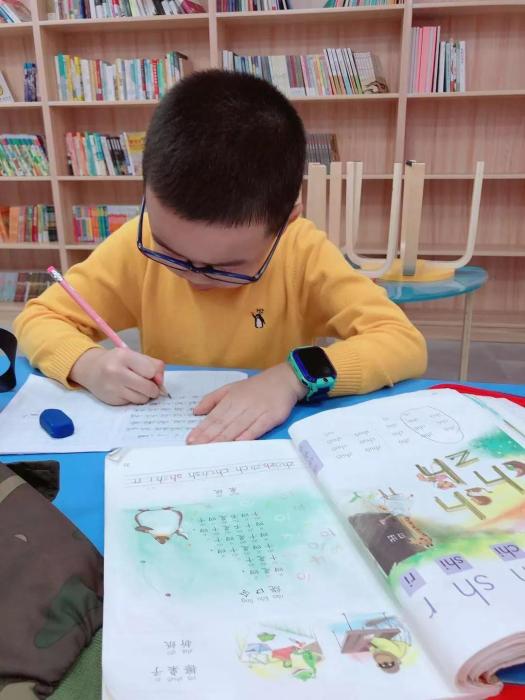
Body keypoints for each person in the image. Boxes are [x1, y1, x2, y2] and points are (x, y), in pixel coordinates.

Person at [14, 69, 427, 444]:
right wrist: (87, 364)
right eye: (170, 253)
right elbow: (39, 318)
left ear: (286, 220)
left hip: (271, 445)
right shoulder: (135, 244)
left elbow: (402, 342)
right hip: (166, 441)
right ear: (147, 195)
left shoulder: (302, 252)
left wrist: (293, 378)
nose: (195, 277)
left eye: (226, 268)